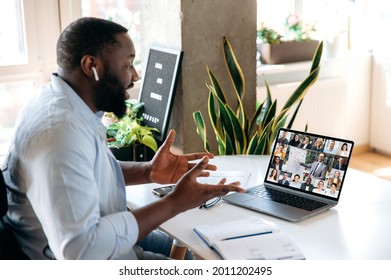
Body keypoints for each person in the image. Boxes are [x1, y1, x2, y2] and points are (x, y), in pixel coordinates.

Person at [1, 18, 244, 260]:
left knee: (193, 250)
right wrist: (175, 202)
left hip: (98, 235)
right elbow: (81, 252)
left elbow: (85, 171)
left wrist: (147, 171)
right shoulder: (61, 135)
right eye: (128, 64)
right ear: (91, 66)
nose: (136, 75)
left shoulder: (58, 100)